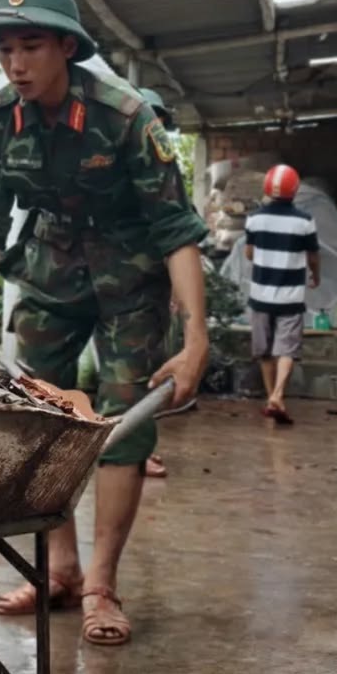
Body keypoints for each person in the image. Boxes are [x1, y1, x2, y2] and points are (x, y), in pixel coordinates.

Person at [0, 0, 209, 647]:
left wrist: (196, 336)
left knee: (121, 427)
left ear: (67, 46)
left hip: (131, 279)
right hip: (49, 271)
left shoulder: (124, 114)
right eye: (5, 48)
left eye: (31, 45)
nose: (16, 62)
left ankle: (102, 583)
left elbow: (177, 227)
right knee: (45, 418)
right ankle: (59, 570)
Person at [137, 87, 191, 479]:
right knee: (135, 375)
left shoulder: (161, 166)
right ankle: (137, 450)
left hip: (149, 285)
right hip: (124, 289)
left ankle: (139, 448)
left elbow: (176, 236)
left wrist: (177, 288)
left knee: (146, 372)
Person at [245, 165, 319, 425]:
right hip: (291, 295)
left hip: (260, 293)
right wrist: (315, 275)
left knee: (264, 350)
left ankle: (271, 397)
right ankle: (278, 395)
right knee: (287, 348)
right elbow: (313, 256)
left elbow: (249, 253)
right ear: (295, 190)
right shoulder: (305, 221)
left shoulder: (254, 219)